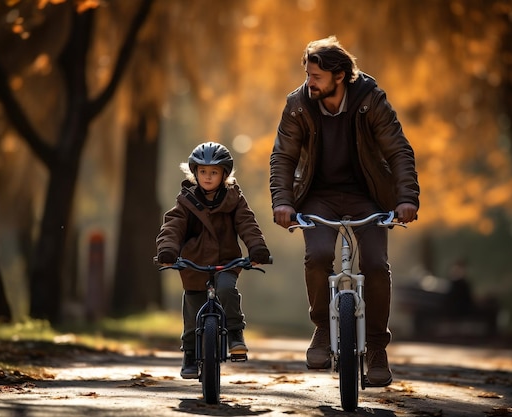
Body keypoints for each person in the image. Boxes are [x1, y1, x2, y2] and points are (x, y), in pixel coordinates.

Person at [269, 36, 419, 386]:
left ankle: (378, 349)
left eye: (316, 76)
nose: (310, 82)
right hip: (318, 196)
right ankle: (323, 327)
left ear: (340, 76)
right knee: (319, 255)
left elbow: (398, 150)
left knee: (377, 265)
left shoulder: (371, 100)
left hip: (366, 194)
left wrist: (406, 198)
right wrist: (283, 202)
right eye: (308, 75)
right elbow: (283, 157)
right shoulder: (298, 104)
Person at [156, 141, 272, 379]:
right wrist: (167, 251)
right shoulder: (185, 200)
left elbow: (247, 224)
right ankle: (189, 352)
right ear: (194, 173)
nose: (207, 177)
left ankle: (235, 334)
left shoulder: (234, 199)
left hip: (226, 261)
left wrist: (257, 248)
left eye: (214, 172)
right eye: (203, 172)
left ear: (225, 175)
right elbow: (172, 227)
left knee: (226, 288)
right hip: (194, 263)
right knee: (192, 306)